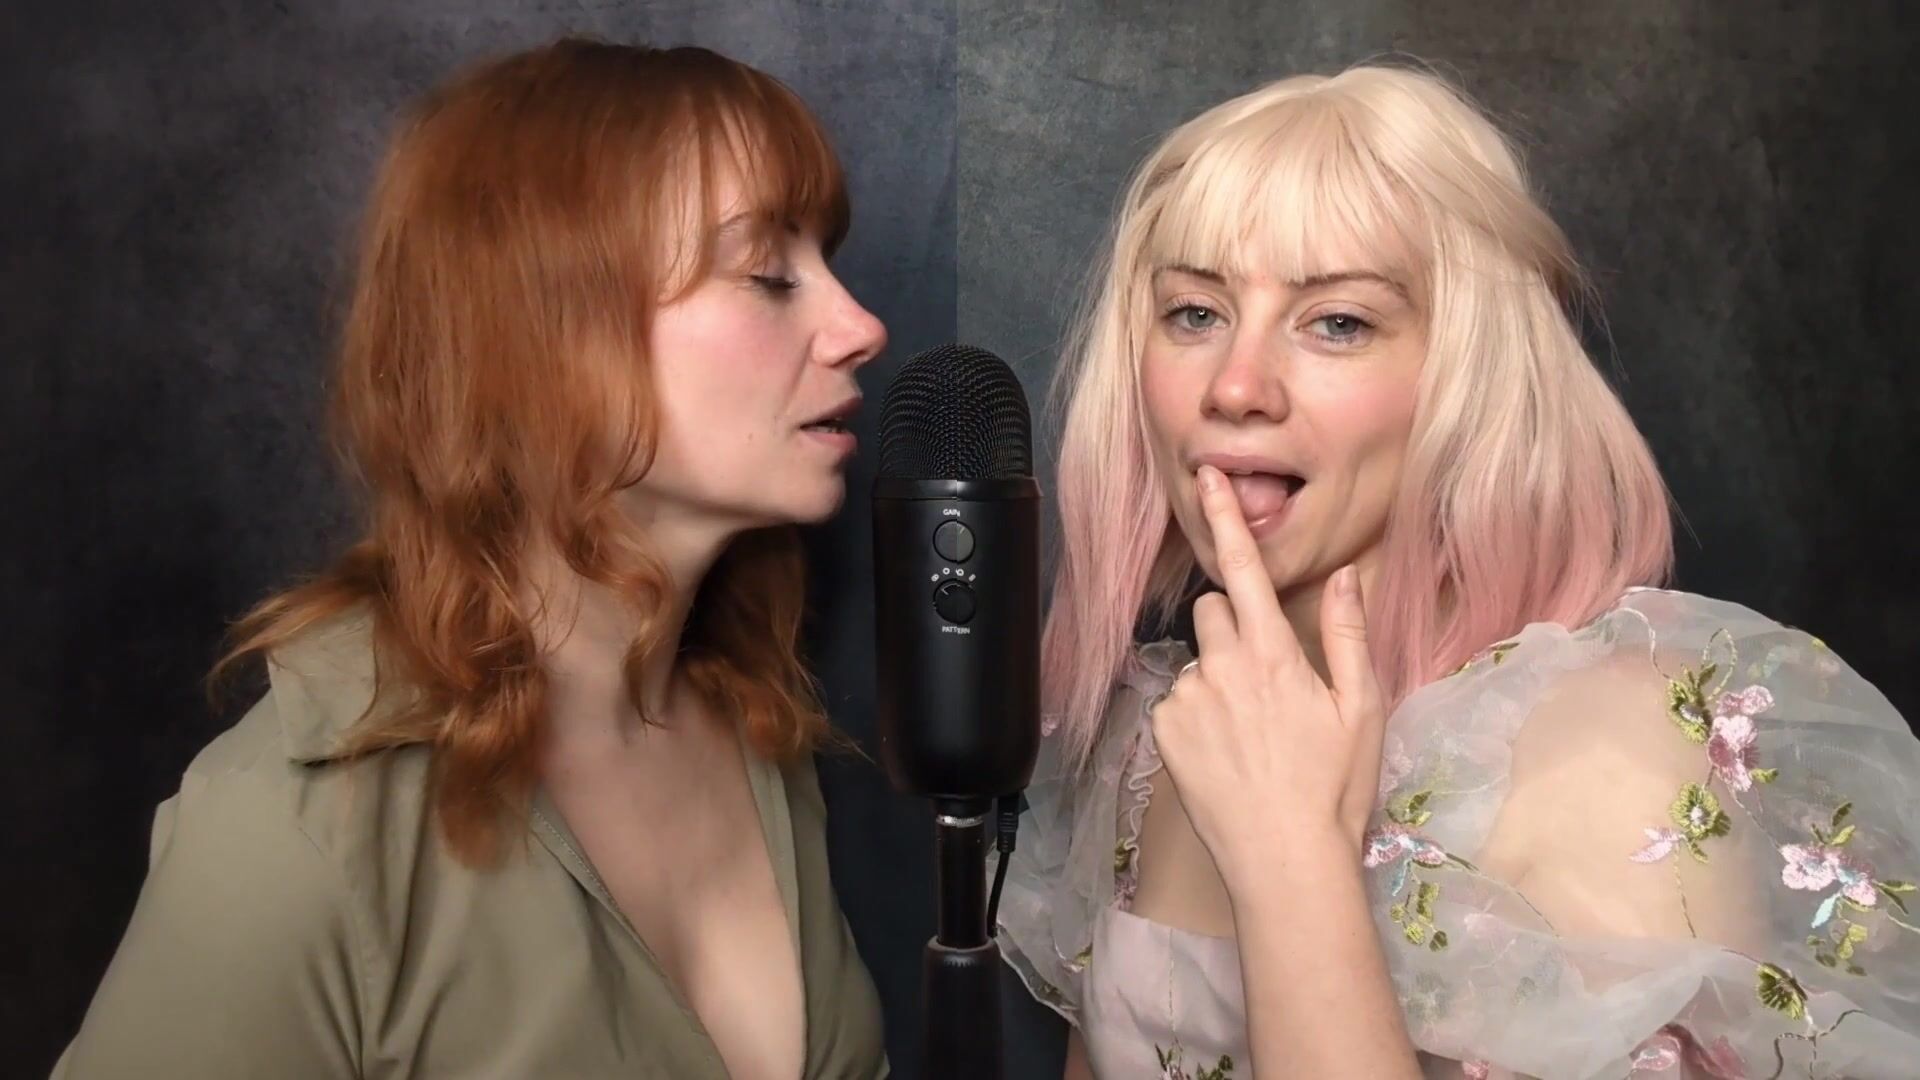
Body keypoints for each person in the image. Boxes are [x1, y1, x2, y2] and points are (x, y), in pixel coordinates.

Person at [997, 64, 1920, 1079]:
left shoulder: (1609, 762)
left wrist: (1293, 862)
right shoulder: (1157, 744)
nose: (1237, 386)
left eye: (1337, 322)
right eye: (1194, 313)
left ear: (1468, 374)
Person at [55, 39, 890, 1079]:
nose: (861, 326)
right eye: (768, 274)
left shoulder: (759, 732)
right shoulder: (294, 834)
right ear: (543, 331)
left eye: (826, 261)